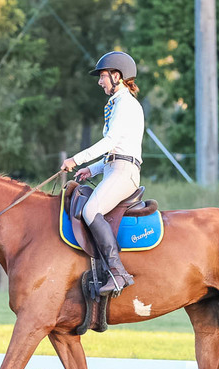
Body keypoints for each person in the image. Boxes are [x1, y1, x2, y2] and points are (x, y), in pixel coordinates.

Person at [61, 51, 145, 297]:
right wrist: (93, 168)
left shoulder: (126, 104)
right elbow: (116, 149)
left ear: (117, 76)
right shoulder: (117, 104)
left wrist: (76, 159)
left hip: (124, 172)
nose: (100, 81)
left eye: (103, 76)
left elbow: (110, 142)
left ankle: (118, 273)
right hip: (114, 168)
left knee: (90, 211)